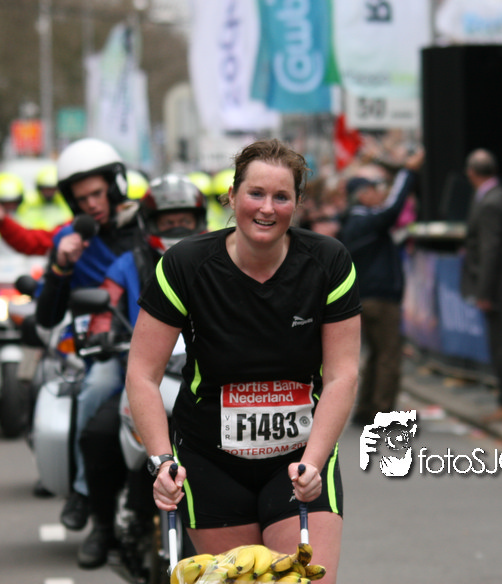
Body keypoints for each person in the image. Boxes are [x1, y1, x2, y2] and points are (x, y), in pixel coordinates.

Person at [126, 139, 361, 584]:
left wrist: (313, 463)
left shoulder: (328, 262)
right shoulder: (185, 264)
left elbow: (342, 375)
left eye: (281, 197)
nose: (267, 208)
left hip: (299, 458)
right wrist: (161, 461)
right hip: (210, 462)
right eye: (256, 193)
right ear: (232, 197)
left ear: (297, 204)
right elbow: (142, 373)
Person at [74, 173, 208, 569]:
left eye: (184, 219)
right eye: (168, 221)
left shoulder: (221, 259)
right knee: (98, 433)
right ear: (150, 223)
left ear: (199, 219)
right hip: (142, 376)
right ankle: (102, 526)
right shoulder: (126, 263)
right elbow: (103, 309)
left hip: (203, 378)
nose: (176, 227)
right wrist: (101, 333)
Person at [34, 138, 145, 544]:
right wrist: (61, 267)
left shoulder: (146, 227)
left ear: (116, 187)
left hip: (166, 344)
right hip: (107, 349)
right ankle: (84, 492)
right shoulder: (70, 241)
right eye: (82, 199)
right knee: (97, 386)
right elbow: (47, 316)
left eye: (98, 193)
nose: (92, 204)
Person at [340, 151, 422, 425]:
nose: (379, 194)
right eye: (374, 190)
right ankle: (383, 412)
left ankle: (366, 409)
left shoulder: (352, 221)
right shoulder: (363, 220)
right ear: (362, 195)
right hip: (381, 298)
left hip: (366, 296)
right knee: (388, 356)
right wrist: (408, 172)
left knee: (375, 355)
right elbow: (393, 208)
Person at [460, 149, 502, 422]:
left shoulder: (491, 202)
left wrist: (484, 292)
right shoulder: (497, 196)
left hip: (500, 289)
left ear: (471, 173)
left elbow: (491, 249)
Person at [17, 165, 73, 231]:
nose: (49, 192)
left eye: (52, 189)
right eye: (46, 189)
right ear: (39, 188)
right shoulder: (28, 204)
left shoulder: (65, 203)